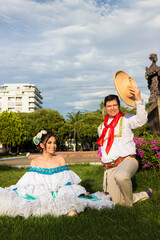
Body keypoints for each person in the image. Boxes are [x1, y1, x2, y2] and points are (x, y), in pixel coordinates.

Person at [0, 130, 115, 218]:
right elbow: (32, 184)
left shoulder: (60, 159)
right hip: (43, 191)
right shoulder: (35, 162)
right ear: (41, 145)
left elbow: (66, 182)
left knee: (69, 195)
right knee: (30, 200)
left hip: (60, 190)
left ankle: (67, 208)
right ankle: (63, 209)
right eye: (49, 143)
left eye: (54, 143)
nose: (53, 146)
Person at [97, 87, 152, 207]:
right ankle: (145, 194)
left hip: (127, 160)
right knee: (116, 201)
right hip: (110, 167)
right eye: (109, 106)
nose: (112, 108)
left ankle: (129, 206)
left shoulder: (126, 119)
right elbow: (105, 148)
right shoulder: (101, 128)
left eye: (114, 105)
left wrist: (138, 98)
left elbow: (141, 120)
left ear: (119, 106)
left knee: (121, 176)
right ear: (105, 108)